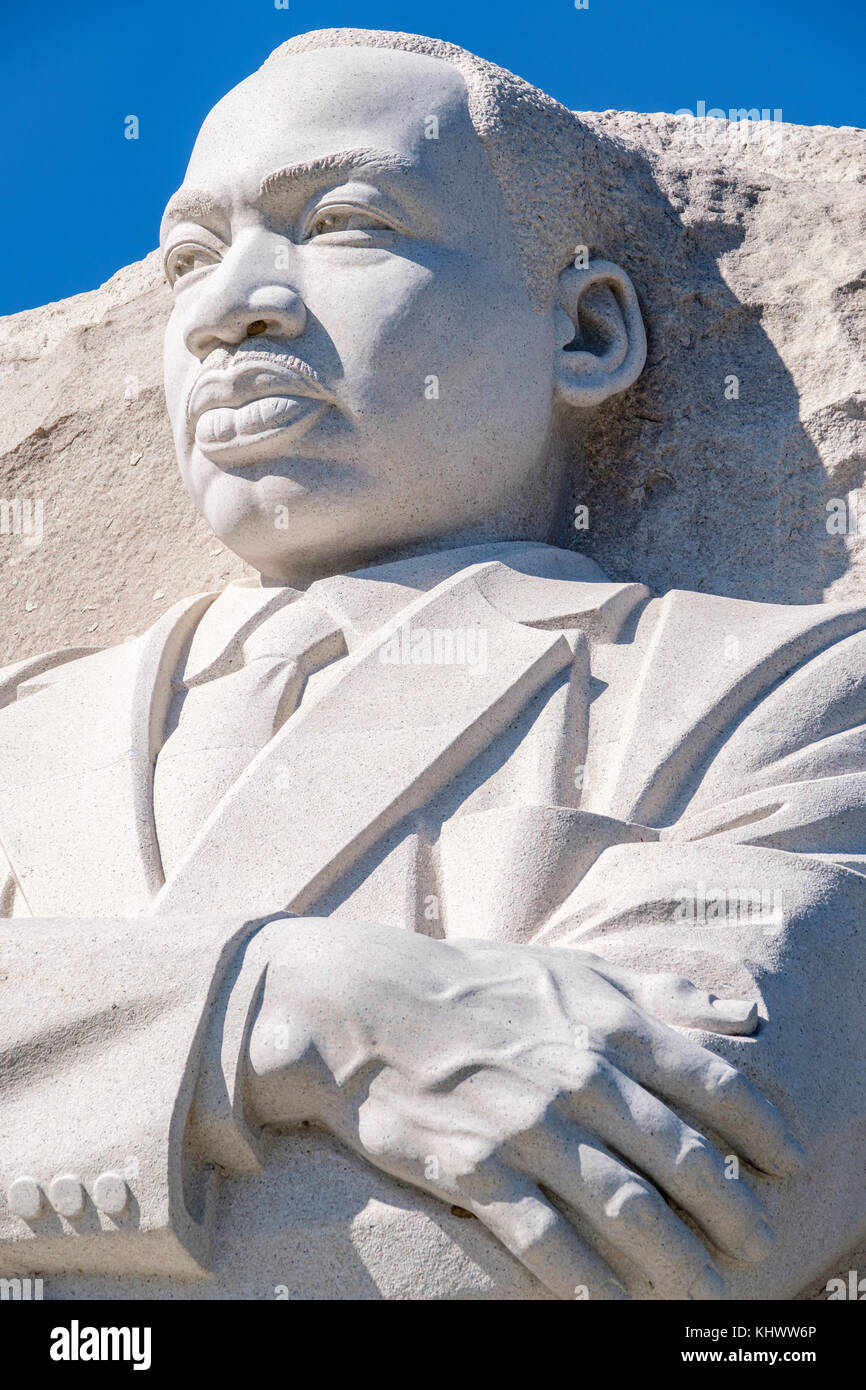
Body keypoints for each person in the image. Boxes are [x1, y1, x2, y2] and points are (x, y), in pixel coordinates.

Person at [1, 29, 864, 1301]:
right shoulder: (22, 732)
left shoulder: (776, 690)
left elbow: (690, 1209)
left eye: (343, 221)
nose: (227, 306)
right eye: (190, 254)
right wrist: (286, 1004)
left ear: (581, 330)